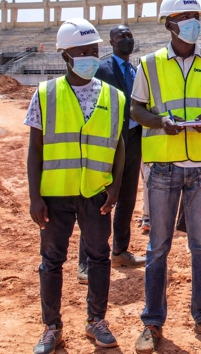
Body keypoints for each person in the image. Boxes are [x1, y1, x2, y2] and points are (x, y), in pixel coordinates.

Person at [131, 0, 201, 352]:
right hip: (163, 169)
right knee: (158, 249)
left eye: (196, 17)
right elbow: (136, 110)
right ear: (170, 24)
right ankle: (153, 323)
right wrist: (160, 122)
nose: (193, 24)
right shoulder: (150, 64)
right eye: (186, 18)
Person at [25, 18, 126, 354]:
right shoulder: (45, 93)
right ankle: (52, 328)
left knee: (99, 257)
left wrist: (116, 186)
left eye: (93, 51)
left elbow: (119, 144)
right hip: (55, 193)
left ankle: (96, 320)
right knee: (51, 261)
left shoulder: (114, 96)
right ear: (65, 55)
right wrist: (34, 196)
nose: (89, 57)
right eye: (81, 51)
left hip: (96, 191)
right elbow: (35, 148)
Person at [75, 25, 145, 287]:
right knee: (97, 203)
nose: (127, 39)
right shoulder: (102, 69)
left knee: (127, 199)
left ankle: (120, 251)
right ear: (112, 42)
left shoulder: (135, 70)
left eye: (129, 35)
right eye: (121, 36)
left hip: (133, 141)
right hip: (108, 143)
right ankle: (86, 262)